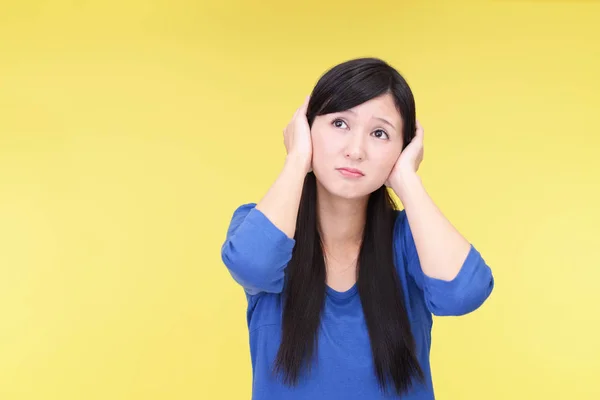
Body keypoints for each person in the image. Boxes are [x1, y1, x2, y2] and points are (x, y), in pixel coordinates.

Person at [221, 57, 494, 399]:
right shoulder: (262, 226)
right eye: (339, 123)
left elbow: (463, 294)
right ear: (305, 130)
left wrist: (408, 181)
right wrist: (296, 160)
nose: (355, 150)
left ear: (404, 149)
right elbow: (252, 263)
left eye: (380, 133)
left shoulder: (411, 240)